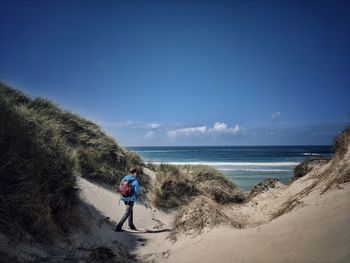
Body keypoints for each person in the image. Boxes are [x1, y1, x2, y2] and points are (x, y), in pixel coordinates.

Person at [115, 168, 141, 232]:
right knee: (127, 212)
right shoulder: (134, 180)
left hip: (124, 197)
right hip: (130, 198)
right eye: (136, 173)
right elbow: (137, 190)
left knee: (130, 210)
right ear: (134, 173)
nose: (136, 174)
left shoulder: (125, 178)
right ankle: (118, 227)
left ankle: (131, 225)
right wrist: (139, 194)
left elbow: (120, 185)